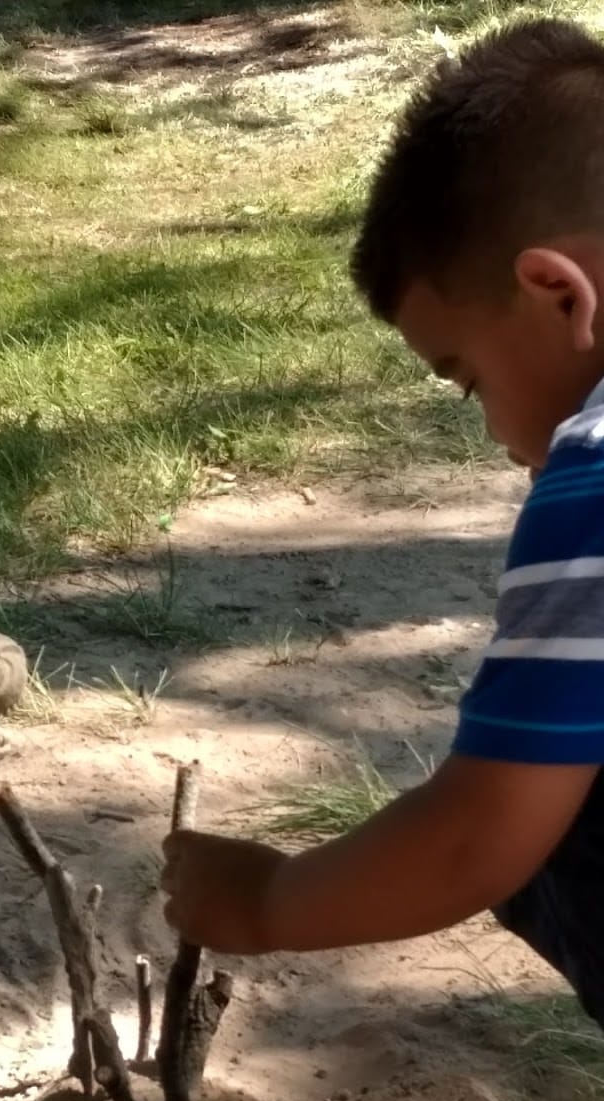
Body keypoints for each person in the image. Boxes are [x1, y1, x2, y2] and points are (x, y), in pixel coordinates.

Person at [161, 16, 604, 1043]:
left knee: (553, 807)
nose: (494, 430)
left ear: (555, 293)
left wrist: (267, 899)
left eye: (464, 380)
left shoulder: (592, 479)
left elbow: (471, 840)